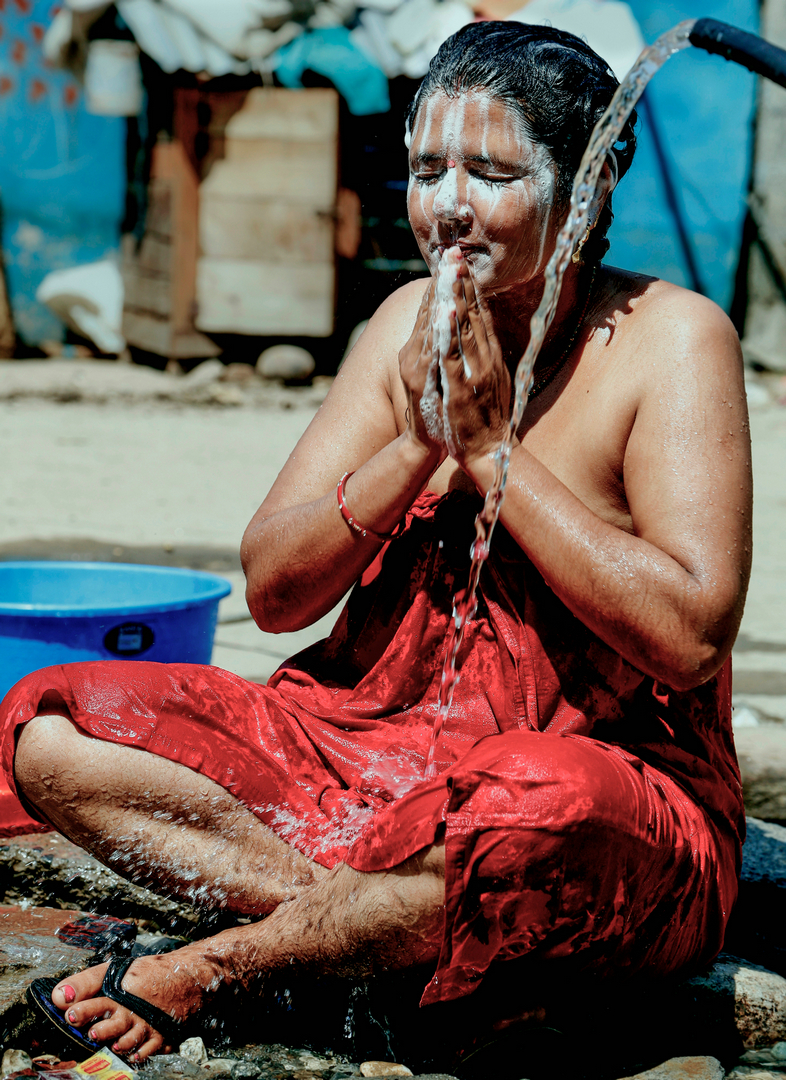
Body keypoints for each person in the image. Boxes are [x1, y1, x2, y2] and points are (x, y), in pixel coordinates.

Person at [2, 20, 751, 1067]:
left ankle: (225, 967)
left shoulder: (672, 339)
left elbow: (689, 638)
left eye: (492, 174)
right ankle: (367, 930)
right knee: (52, 730)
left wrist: (494, 456)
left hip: (595, 787)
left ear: (587, 189)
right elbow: (272, 593)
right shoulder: (403, 318)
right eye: (426, 170)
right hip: (366, 755)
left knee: (535, 813)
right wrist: (413, 445)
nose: (447, 207)